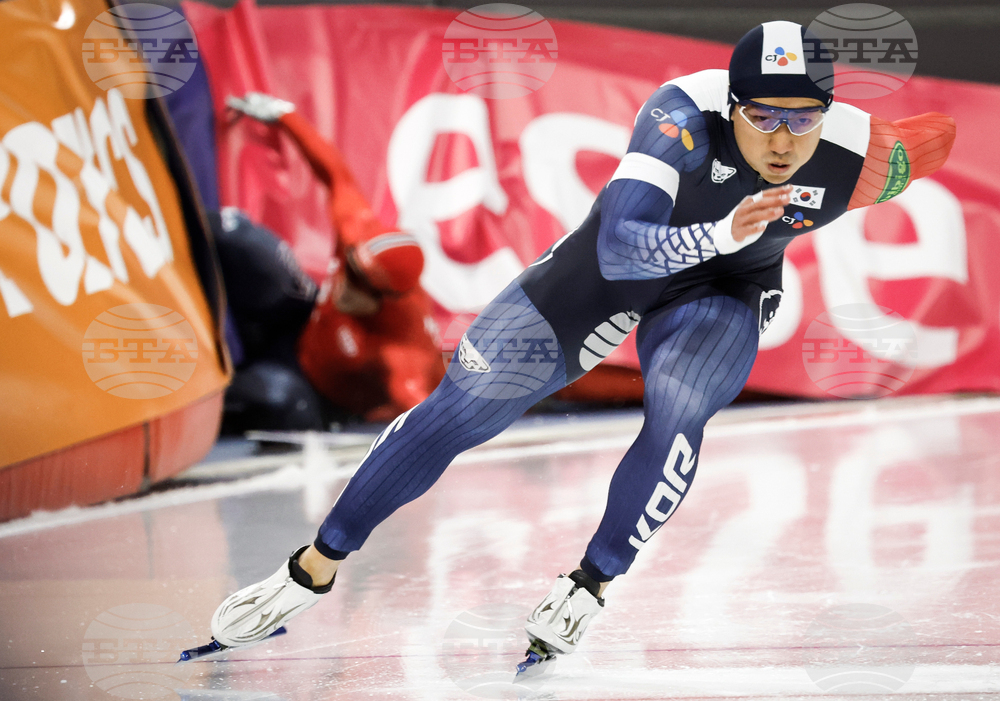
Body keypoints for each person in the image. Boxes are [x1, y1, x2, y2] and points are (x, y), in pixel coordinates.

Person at [200, 21, 955, 673]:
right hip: (612, 268)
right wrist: (726, 230)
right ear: (733, 107)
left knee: (680, 406)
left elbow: (937, 140)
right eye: (764, 116)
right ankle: (313, 566)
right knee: (462, 408)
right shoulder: (680, 121)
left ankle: (590, 581)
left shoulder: (860, 156)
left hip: (723, 292)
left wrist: (739, 246)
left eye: (804, 119)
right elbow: (625, 246)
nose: (785, 140)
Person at [224, 95, 446, 423]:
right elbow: (335, 173)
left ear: (384, 299)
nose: (346, 283)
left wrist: (374, 414)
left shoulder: (403, 350)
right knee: (239, 237)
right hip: (303, 328)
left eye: (361, 283)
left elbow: (426, 415)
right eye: (351, 268)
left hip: (318, 392)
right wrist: (287, 116)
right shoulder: (355, 230)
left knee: (273, 397)